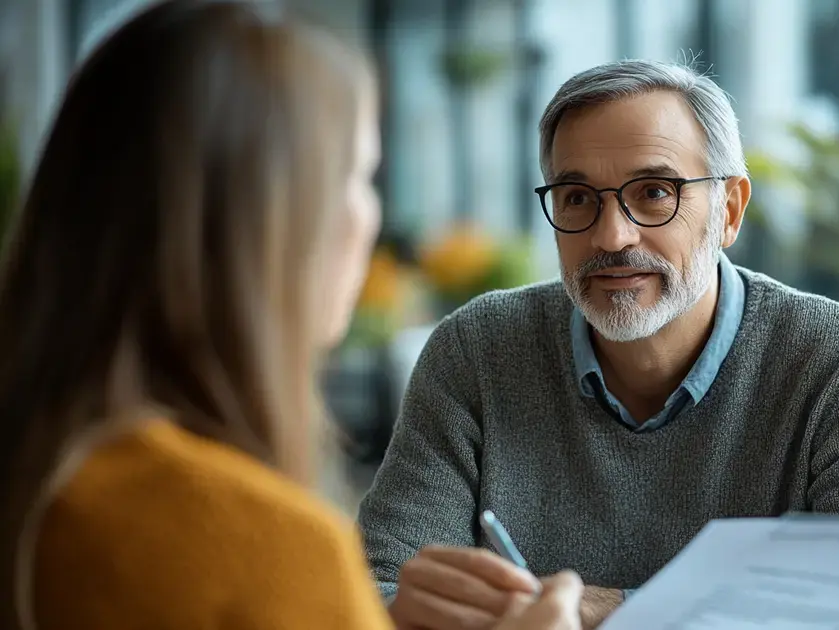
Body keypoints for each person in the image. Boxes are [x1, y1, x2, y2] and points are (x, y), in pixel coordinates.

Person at [0, 2, 582, 629]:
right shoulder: (262, 545)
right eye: (359, 177)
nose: (372, 217)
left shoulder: (44, 481)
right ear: (276, 228)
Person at [359, 59, 839, 630]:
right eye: (578, 198)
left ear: (729, 210)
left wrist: (598, 609)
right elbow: (374, 589)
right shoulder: (477, 350)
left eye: (656, 192)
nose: (612, 236)